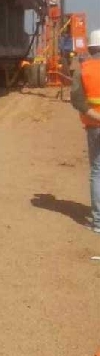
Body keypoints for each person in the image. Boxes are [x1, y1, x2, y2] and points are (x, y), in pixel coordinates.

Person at [70, 29, 100, 234]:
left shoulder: (83, 70)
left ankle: (98, 222)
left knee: (97, 172)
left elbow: (77, 101)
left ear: (90, 48)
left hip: (94, 126)